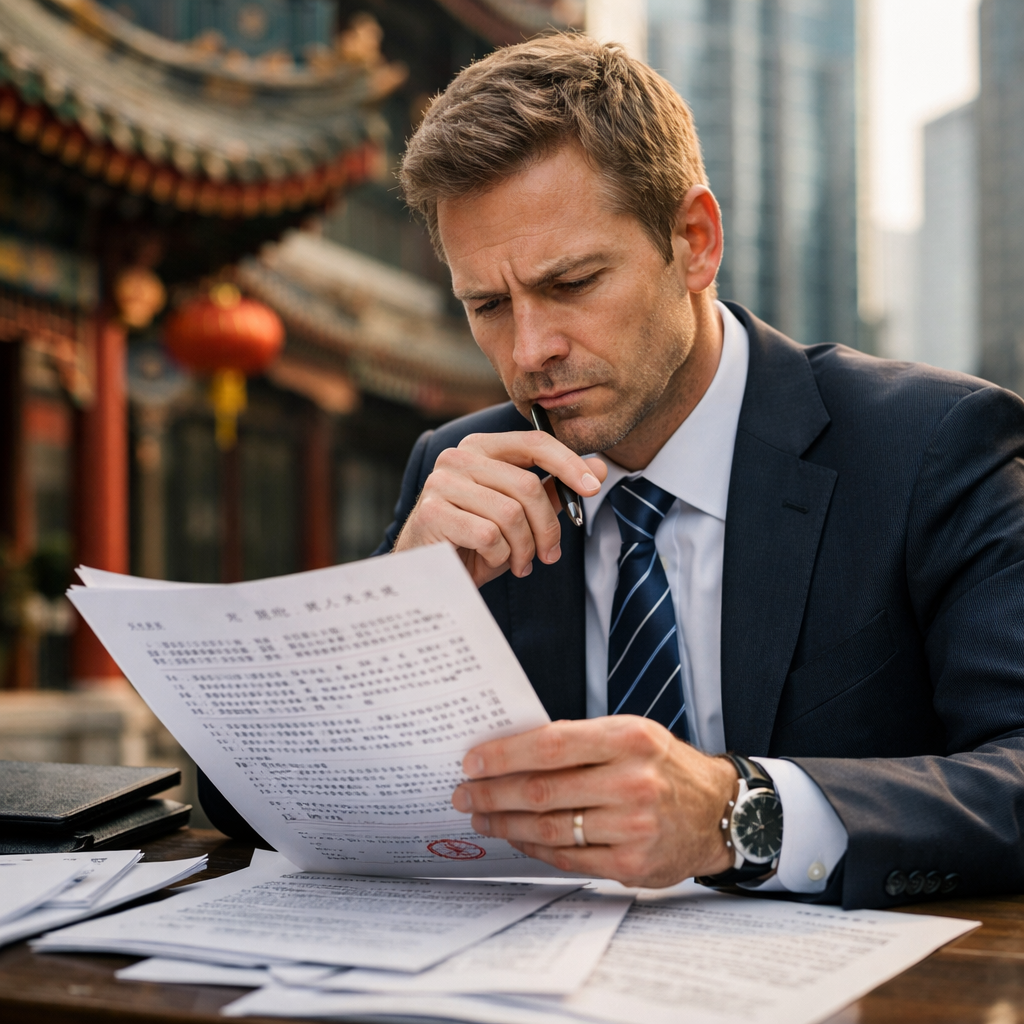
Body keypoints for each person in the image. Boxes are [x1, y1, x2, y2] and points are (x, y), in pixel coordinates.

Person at [201, 32, 1024, 909]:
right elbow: (242, 799)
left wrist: (733, 813)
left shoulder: (932, 445)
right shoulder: (457, 472)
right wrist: (398, 601)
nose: (529, 351)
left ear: (695, 243)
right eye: (487, 305)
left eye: (573, 283)